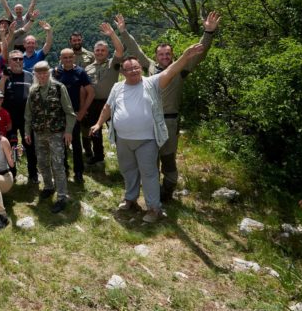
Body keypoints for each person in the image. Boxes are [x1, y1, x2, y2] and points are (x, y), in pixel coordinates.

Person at [89, 44, 206, 223]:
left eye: (136, 67)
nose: (134, 71)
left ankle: (154, 208)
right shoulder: (117, 87)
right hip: (123, 140)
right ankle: (130, 199)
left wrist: (184, 56)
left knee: (149, 173)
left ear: (140, 69)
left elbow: (171, 71)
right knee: (128, 171)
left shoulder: (151, 83)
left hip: (146, 140)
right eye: (129, 69)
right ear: (123, 72)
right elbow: (108, 107)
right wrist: (98, 123)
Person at [116, 12, 220, 201]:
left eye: (168, 54)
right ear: (156, 56)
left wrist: (208, 32)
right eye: (161, 54)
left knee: (168, 158)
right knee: (150, 160)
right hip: (149, 121)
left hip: (169, 121)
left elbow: (200, 52)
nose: (164, 57)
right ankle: (152, 193)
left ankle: (168, 190)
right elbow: (135, 48)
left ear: (172, 56)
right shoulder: (150, 67)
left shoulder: (181, 69)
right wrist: (123, 31)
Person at [25, 60, 75, 213]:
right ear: (35, 75)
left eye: (44, 73)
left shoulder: (59, 88)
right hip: (39, 133)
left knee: (58, 164)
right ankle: (48, 186)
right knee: (42, 163)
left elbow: (69, 112)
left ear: (49, 73)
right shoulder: (33, 91)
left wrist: (68, 131)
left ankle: (61, 196)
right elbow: (28, 114)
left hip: (56, 133)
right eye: (39, 73)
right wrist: (27, 131)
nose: (42, 76)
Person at [81, 23, 125, 166]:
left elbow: (120, 49)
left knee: (118, 130)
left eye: (103, 50)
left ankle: (125, 156)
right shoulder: (87, 68)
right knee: (95, 131)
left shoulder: (113, 64)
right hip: (94, 103)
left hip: (111, 102)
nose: (100, 52)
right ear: (94, 52)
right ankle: (98, 156)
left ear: (107, 52)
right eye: (97, 50)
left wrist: (112, 34)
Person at [52, 48, 94, 183]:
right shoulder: (56, 72)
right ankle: (64, 170)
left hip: (74, 114)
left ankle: (78, 172)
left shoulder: (80, 72)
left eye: (70, 57)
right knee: (61, 143)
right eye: (65, 58)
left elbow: (91, 93)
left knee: (76, 144)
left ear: (74, 57)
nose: (68, 60)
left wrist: (82, 112)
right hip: (59, 114)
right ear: (61, 58)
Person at [0, 49, 36, 184]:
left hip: (27, 119)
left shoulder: (30, 76)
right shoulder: (4, 76)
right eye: (15, 59)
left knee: (30, 146)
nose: (18, 61)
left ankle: (33, 175)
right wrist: (3, 78)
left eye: (20, 59)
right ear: (9, 62)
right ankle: (12, 174)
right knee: (10, 147)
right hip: (9, 120)